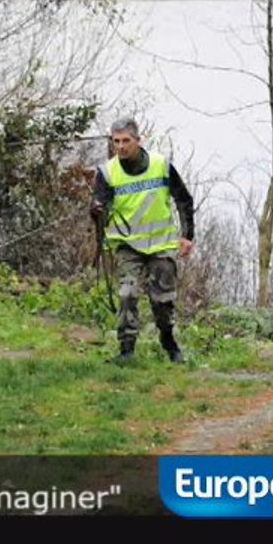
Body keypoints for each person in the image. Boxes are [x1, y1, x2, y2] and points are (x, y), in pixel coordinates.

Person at [90, 118, 195, 363]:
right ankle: (126, 350)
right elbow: (99, 204)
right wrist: (95, 209)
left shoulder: (161, 165)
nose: (121, 147)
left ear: (138, 140)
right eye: (116, 142)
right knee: (127, 295)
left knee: (162, 302)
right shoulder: (107, 172)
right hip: (127, 245)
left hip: (161, 245)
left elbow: (183, 200)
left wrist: (187, 236)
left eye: (126, 141)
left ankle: (169, 343)